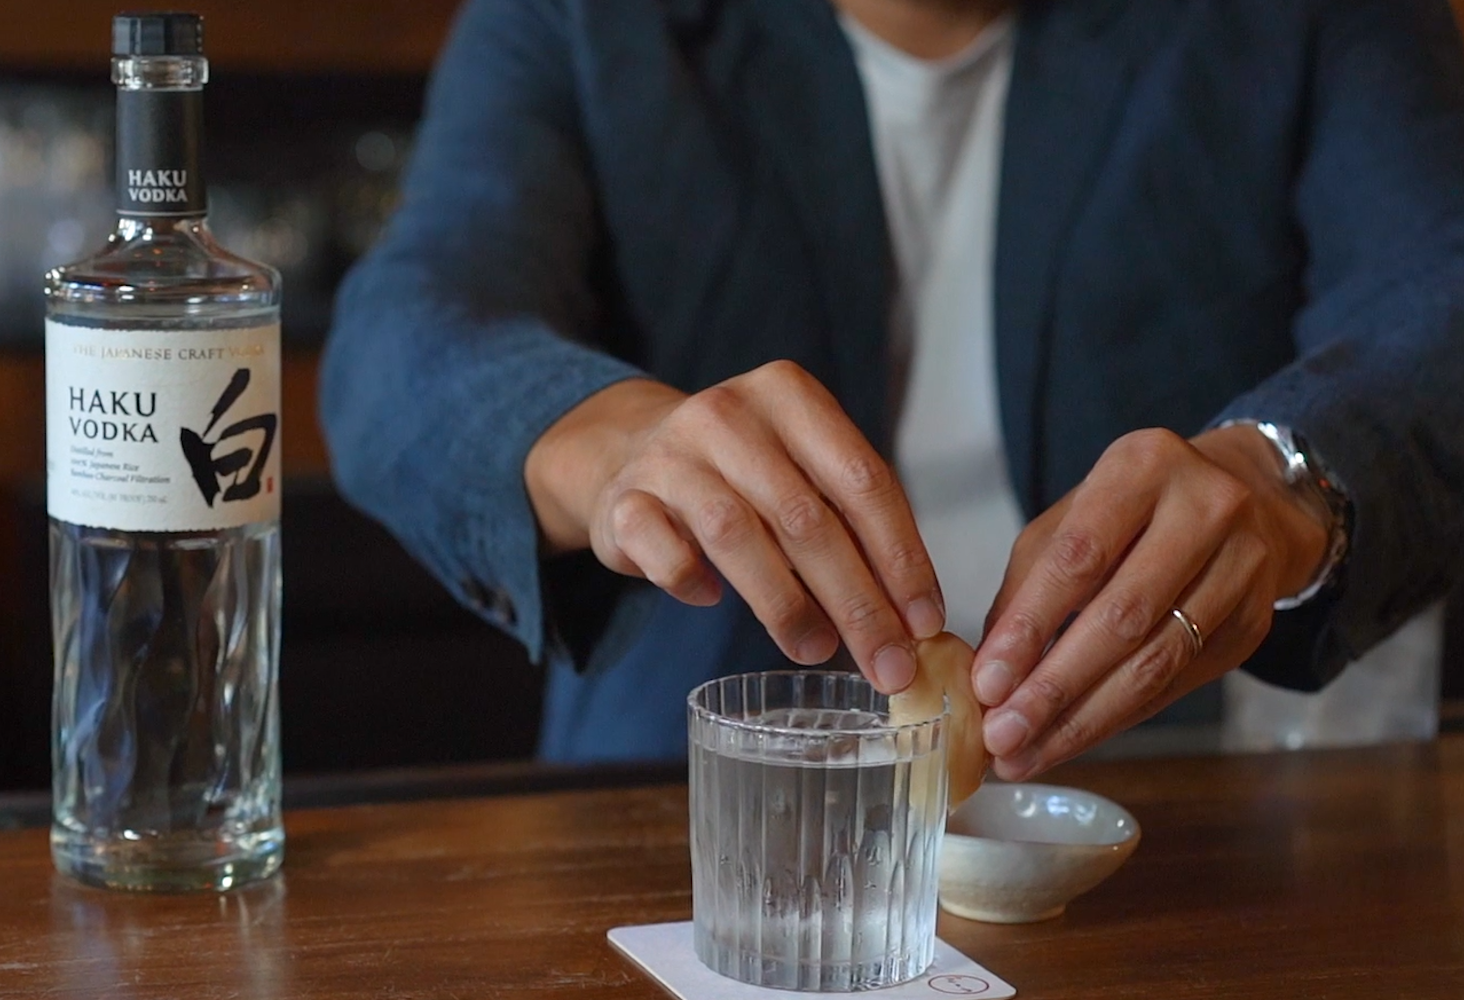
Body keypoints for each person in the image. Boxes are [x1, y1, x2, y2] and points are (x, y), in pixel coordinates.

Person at [320, 0, 1464, 778]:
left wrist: (1287, 474)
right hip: (681, 828)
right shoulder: (580, 21)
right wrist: (603, 442)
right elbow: (402, 333)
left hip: (1158, 819)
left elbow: (1441, 296)